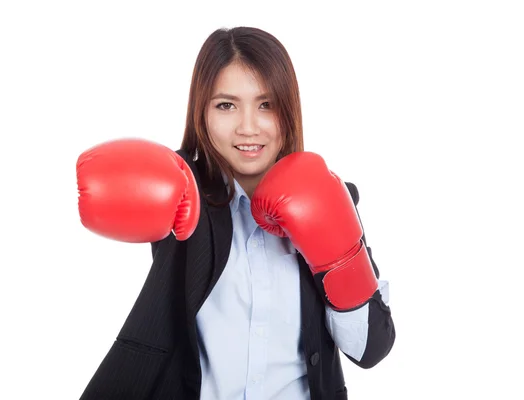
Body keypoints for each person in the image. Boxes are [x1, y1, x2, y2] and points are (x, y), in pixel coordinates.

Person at [76, 26, 395, 400]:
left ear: (288, 110)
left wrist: (339, 258)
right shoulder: (182, 193)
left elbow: (370, 349)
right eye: (226, 105)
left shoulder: (329, 196)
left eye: (266, 105)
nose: (248, 127)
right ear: (202, 112)